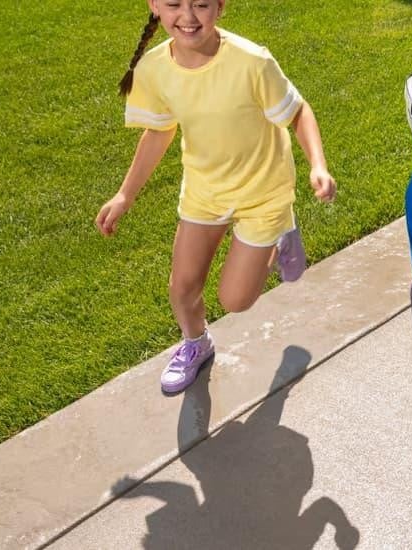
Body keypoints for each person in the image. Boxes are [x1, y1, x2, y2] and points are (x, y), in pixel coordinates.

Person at [95, 0, 336, 394]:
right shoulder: (155, 70)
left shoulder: (251, 61)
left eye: (201, 4)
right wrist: (125, 195)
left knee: (235, 300)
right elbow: (159, 132)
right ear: (154, 5)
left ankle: (281, 234)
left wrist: (318, 166)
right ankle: (196, 344)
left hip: (264, 195)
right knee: (182, 288)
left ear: (220, 6)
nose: (187, 17)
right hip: (205, 192)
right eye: (173, 4)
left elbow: (298, 112)